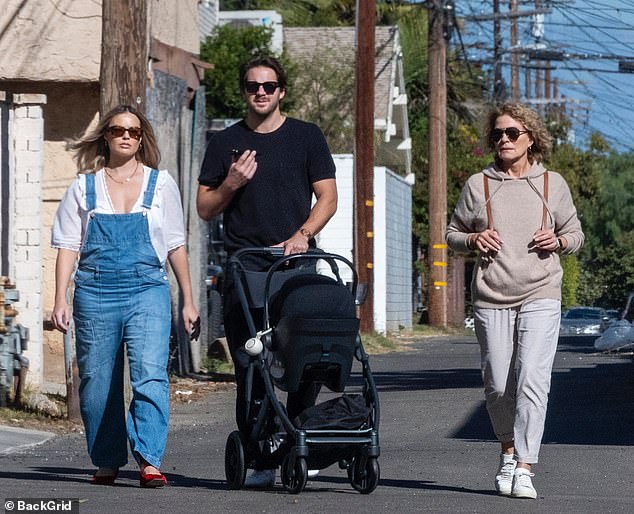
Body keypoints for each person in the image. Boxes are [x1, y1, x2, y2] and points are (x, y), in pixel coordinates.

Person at [197, 55, 337, 488]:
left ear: (282, 91)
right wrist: (231, 184)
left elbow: (328, 198)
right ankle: (259, 455)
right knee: (251, 364)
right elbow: (205, 208)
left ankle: (296, 440)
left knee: (305, 357)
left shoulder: (306, 137)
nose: (261, 92)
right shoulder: (225, 143)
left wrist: (303, 234)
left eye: (269, 86)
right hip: (246, 267)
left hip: (296, 263)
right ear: (244, 91)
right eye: (253, 86)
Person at [51, 105, 200, 488]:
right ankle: (106, 459)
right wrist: (60, 298)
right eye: (118, 130)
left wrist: (188, 299)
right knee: (98, 382)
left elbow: (175, 244)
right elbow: (68, 246)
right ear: (106, 136)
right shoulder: (83, 188)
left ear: (141, 137)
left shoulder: (161, 184)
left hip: (147, 288)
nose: (126, 136)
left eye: (134, 131)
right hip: (94, 290)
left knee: (149, 374)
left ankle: (149, 459)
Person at [446, 103, 584, 499]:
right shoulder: (480, 184)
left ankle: (525, 466)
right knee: (498, 382)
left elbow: (575, 234)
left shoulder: (551, 184)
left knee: (532, 380)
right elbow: (453, 232)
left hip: (541, 291)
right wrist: (473, 238)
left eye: (511, 133)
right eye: (497, 134)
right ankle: (507, 451)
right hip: (492, 296)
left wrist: (558, 240)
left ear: (530, 139)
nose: (503, 140)